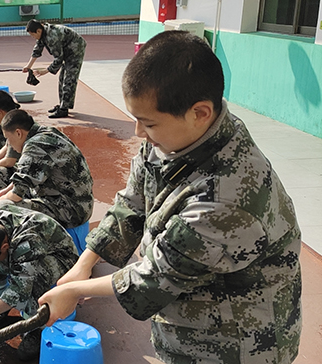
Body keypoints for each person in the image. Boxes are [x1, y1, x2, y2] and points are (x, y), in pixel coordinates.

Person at [38, 31, 302, 363]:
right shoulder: (179, 134)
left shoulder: (228, 196)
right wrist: (84, 263)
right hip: (189, 327)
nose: (138, 133)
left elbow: (154, 277)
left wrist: (73, 291)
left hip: (237, 345)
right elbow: (132, 201)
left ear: (200, 113)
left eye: (147, 123)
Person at [0, 205, 78, 361]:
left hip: (60, 257)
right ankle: (2, 298)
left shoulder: (27, 242)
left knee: (35, 277)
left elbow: (20, 291)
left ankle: (37, 326)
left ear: (5, 247)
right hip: (18, 253)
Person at [0, 108, 94, 253]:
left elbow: (16, 194)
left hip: (71, 211)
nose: (9, 144)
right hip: (74, 200)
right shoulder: (46, 132)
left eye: (8, 139)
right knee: (1, 176)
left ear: (18, 133)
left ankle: (18, 253)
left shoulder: (34, 146)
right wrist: (5, 191)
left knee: (3, 207)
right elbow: (25, 175)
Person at [23, 19, 86, 119]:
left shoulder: (52, 37)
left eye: (32, 35)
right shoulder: (43, 33)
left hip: (75, 50)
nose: (33, 37)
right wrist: (28, 66)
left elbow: (58, 59)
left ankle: (64, 109)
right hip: (67, 50)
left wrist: (46, 71)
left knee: (69, 79)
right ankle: (62, 104)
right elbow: (37, 49)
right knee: (62, 79)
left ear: (38, 31)